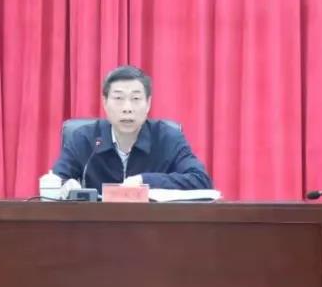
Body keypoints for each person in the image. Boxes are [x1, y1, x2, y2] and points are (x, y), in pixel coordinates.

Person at [52, 65, 212, 195]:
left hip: (153, 224)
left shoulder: (168, 138)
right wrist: (64, 185)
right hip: (97, 224)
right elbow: (56, 181)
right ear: (105, 103)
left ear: (148, 103)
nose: (127, 108)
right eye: (118, 98)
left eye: (135, 99)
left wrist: (144, 181)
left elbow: (201, 180)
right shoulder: (84, 138)